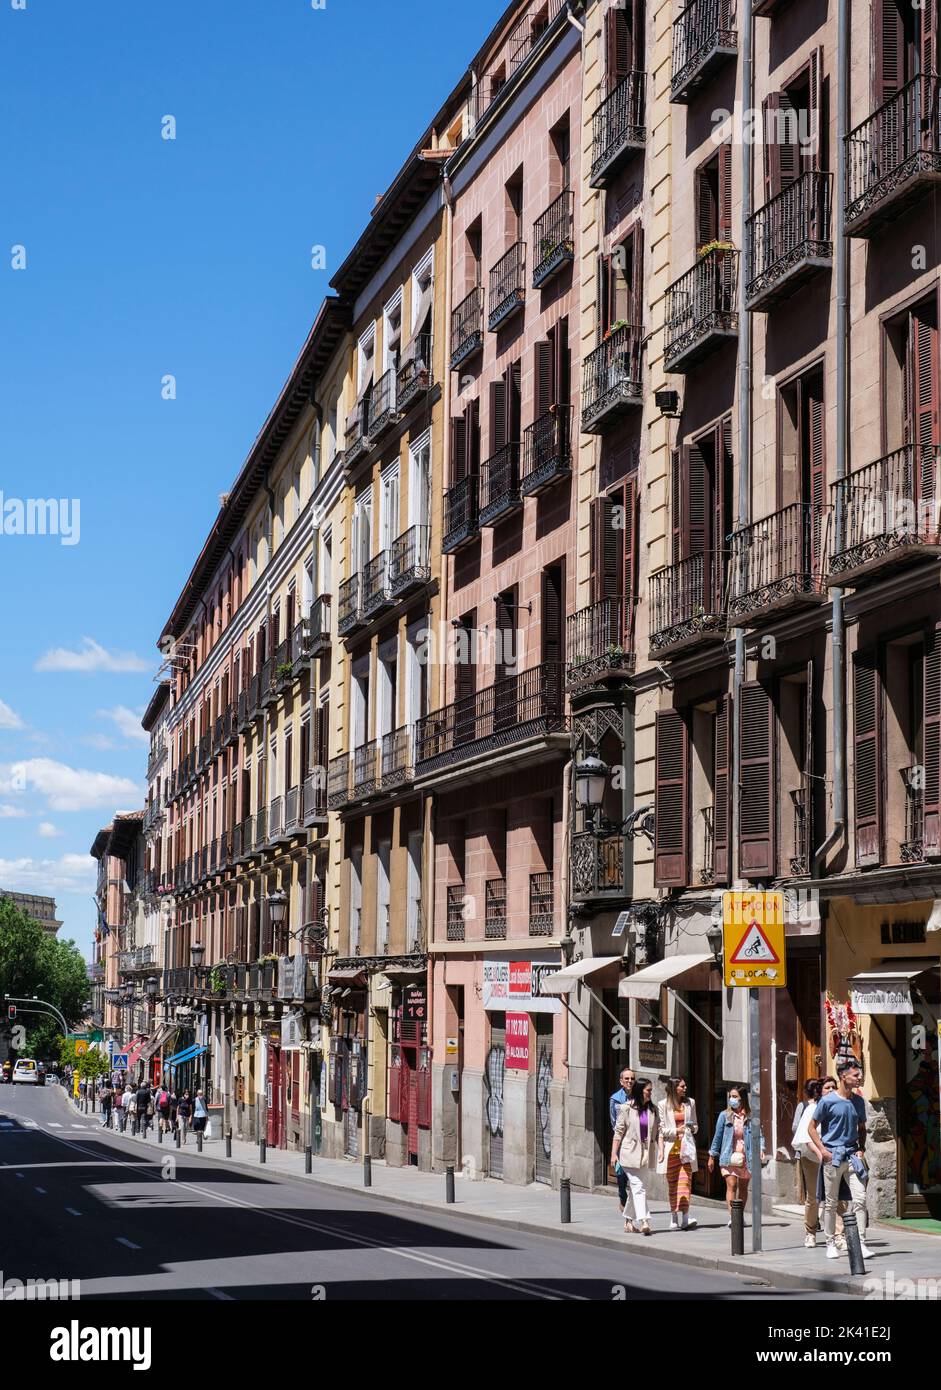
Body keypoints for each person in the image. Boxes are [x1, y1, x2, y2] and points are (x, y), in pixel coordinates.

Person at [807, 1060, 871, 1261]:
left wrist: (861, 1148)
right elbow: (811, 1127)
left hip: (853, 1155)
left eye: (859, 1074)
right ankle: (830, 1242)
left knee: (859, 1199)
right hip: (833, 1156)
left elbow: (862, 1128)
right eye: (855, 1075)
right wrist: (823, 1151)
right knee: (831, 1202)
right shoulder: (827, 1101)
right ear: (844, 1077)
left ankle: (861, 1243)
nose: (859, 1078)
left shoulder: (859, 1101)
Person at [708, 1085, 766, 1226]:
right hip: (729, 1155)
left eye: (735, 1097)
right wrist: (712, 1156)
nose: (732, 1100)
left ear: (743, 1098)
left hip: (747, 1156)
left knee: (743, 1187)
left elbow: (759, 1134)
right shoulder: (724, 1116)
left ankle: (739, 1215)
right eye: (730, 1097)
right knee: (732, 1185)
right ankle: (733, 1217)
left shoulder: (751, 1116)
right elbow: (718, 1136)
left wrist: (761, 1148)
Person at [611, 1079, 659, 1235]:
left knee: (635, 1189)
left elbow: (658, 1132)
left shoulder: (653, 1110)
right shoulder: (626, 1109)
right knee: (638, 1187)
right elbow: (618, 1133)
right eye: (648, 1090)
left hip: (646, 1153)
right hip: (629, 1153)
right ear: (640, 1091)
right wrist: (613, 1154)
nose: (650, 1093)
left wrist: (661, 1150)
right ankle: (644, 1220)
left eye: (651, 1090)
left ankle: (628, 1222)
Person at [657, 1076, 699, 1230]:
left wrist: (691, 1128)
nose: (685, 1088)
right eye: (682, 1086)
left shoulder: (690, 1103)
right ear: (675, 1088)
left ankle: (685, 1218)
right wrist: (677, 1130)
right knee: (673, 1184)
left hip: (686, 1149)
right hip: (671, 1150)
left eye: (685, 1085)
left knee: (685, 1183)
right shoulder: (663, 1105)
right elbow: (661, 1129)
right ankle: (674, 1217)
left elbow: (696, 1125)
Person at [792, 1079, 823, 1247]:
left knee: (837, 1199)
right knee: (813, 1196)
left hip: (832, 1157)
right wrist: (819, 1151)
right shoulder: (806, 1107)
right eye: (827, 1087)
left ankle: (837, 1234)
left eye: (833, 1087)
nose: (831, 1090)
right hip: (808, 1154)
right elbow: (796, 1128)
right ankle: (811, 1230)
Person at [608, 1066, 636, 1215]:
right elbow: (614, 1122)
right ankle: (622, 1197)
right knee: (620, 1173)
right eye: (627, 1079)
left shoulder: (638, 1097)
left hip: (635, 1142)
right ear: (621, 1081)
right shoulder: (615, 1099)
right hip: (621, 1140)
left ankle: (633, 1203)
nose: (630, 1081)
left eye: (632, 1079)